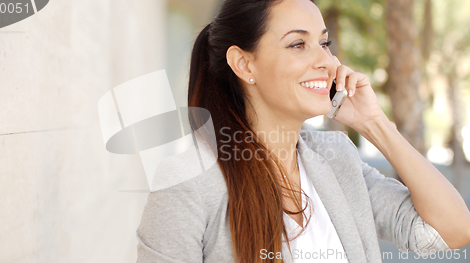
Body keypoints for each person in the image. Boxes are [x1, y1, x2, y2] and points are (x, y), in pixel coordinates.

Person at [136, 0, 470, 262]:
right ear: (244, 64)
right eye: (298, 44)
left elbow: (452, 231)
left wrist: (374, 124)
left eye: (324, 43)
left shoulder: (337, 159)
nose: (327, 61)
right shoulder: (188, 182)